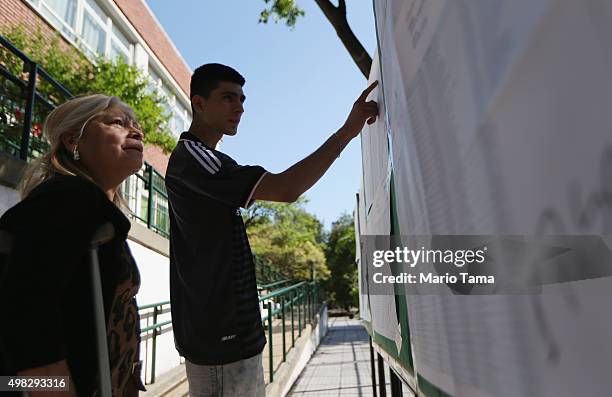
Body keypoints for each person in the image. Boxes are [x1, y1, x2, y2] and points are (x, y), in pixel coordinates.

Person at [165, 63, 378, 396]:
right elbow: (286, 189)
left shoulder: (205, 159)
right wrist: (346, 132)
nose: (239, 107)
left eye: (242, 99)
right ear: (199, 103)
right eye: (227, 97)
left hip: (233, 338)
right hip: (221, 340)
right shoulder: (195, 158)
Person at [0, 94, 147, 396]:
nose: (136, 131)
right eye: (118, 123)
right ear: (72, 141)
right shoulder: (68, 198)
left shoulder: (89, 205)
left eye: (136, 125)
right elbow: (24, 304)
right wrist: (53, 388)